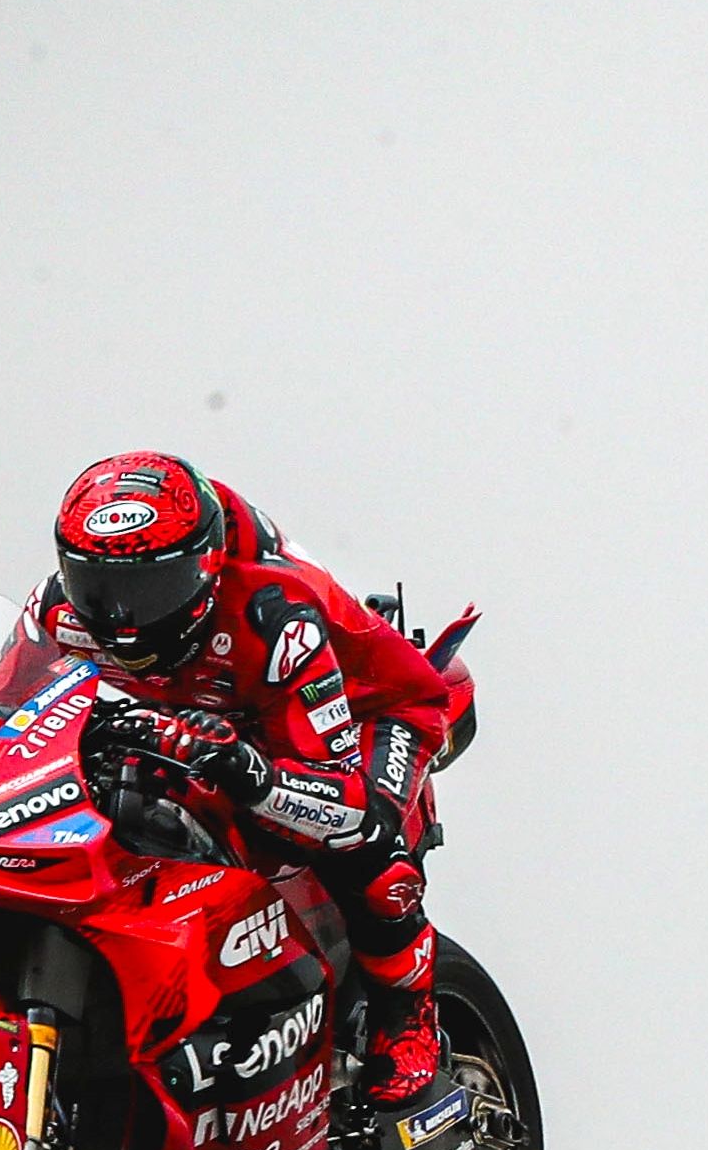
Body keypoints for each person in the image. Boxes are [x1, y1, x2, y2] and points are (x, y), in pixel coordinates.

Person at [32, 452, 459, 1104]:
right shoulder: (57, 613)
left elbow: (338, 796)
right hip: (211, 717)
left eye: (149, 590)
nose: (123, 616)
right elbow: (1, 710)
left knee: (363, 841)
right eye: (99, 586)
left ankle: (408, 1021)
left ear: (203, 566)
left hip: (369, 708)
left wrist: (248, 770)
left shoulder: (271, 615)